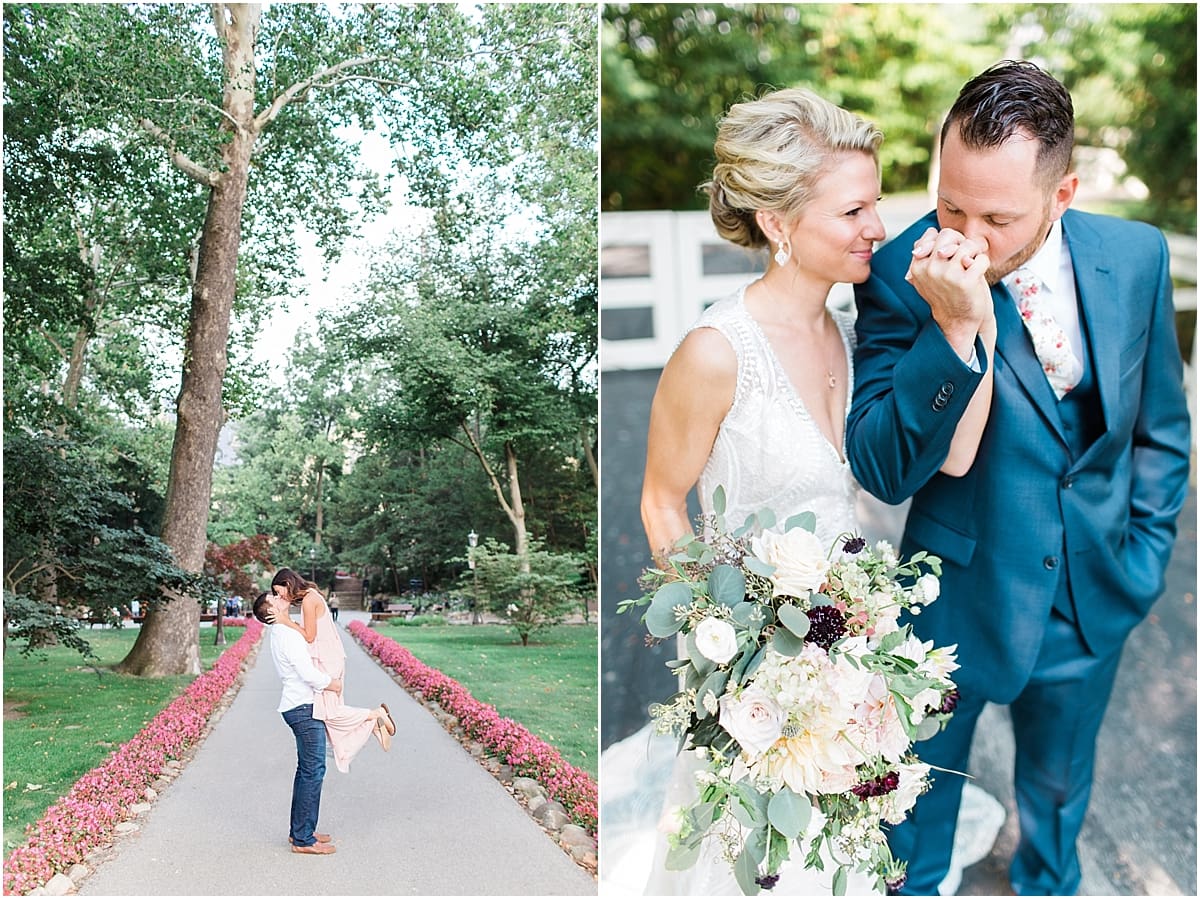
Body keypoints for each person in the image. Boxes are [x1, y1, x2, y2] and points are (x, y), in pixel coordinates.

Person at [628, 86, 1000, 896]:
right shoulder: (715, 351)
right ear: (778, 224)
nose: (879, 228)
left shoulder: (851, 330)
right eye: (854, 210)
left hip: (852, 670)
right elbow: (661, 499)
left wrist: (971, 321)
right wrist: (724, 646)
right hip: (759, 687)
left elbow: (947, 452)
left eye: (878, 203)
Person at [846, 60, 1191, 896]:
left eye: (997, 217)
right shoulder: (901, 273)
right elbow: (888, 468)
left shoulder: (1136, 256)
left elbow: (1161, 430)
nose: (964, 235)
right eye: (949, 201)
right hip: (952, 602)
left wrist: (1141, 560)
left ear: (1062, 194)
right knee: (914, 816)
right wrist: (956, 327)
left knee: (1057, 801)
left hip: (1092, 596)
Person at [271, 567, 396, 771]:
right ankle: (372, 722)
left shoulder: (310, 600)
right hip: (327, 656)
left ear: (288, 583)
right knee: (328, 712)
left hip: (327, 658)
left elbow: (310, 636)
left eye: (279, 591)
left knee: (329, 712)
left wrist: (286, 621)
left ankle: (375, 715)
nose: (280, 596)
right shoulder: (309, 598)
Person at [253, 590, 341, 855]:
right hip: (303, 708)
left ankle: (301, 831)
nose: (282, 599)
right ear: (270, 613)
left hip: (299, 706)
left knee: (307, 771)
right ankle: (303, 839)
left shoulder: (282, 633)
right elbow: (306, 673)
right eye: (275, 599)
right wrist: (331, 684)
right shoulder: (287, 635)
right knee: (313, 771)